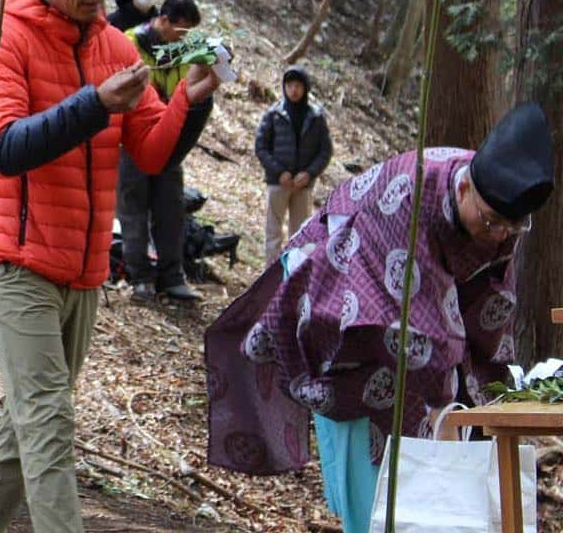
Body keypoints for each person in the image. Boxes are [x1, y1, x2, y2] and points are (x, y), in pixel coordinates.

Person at [0, 0, 220, 533]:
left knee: (29, 424)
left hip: (83, 265)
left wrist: (187, 98)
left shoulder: (108, 45)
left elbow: (152, 151)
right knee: (48, 418)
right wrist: (92, 105)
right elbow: (5, 147)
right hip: (15, 255)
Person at [206, 102, 555, 533]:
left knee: (446, 440)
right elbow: (421, 333)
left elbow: (491, 307)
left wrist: (483, 398)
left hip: (418, 326)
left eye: (513, 228)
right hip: (344, 304)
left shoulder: (499, 215)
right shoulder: (408, 197)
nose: (500, 235)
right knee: (380, 468)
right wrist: (445, 411)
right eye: (492, 221)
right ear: (465, 189)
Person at [118, 0, 208, 302]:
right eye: (181, 31)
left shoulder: (182, 52)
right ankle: (139, 276)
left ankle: (172, 276)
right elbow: (135, 89)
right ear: (164, 20)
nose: (183, 39)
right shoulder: (131, 41)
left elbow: (186, 89)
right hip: (133, 137)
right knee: (134, 206)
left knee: (170, 206)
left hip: (169, 136)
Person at [254, 65, 333, 265]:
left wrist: (309, 173)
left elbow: (325, 151)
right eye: (289, 85)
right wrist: (278, 171)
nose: (294, 90)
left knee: (301, 233)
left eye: (298, 85)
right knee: (273, 231)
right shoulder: (274, 114)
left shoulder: (315, 117)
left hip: (303, 185)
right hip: (278, 182)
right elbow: (261, 146)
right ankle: (270, 276)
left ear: (305, 88)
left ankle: (294, 275)